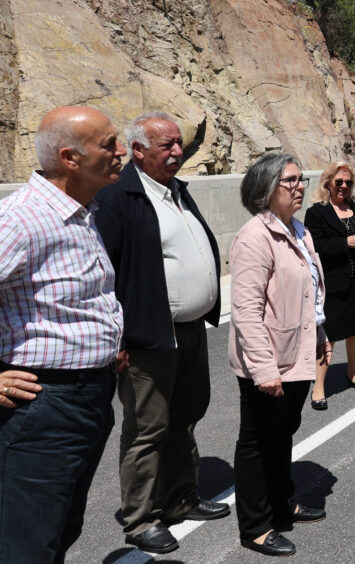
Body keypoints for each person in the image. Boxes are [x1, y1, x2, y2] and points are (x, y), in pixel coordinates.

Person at [94, 112, 229, 554]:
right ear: (137, 151)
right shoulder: (119, 198)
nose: (177, 152)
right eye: (166, 146)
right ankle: (140, 520)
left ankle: (179, 498)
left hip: (189, 331)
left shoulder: (176, 191)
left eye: (178, 144)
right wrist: (115, 339)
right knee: (147, 429)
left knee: (185, 416)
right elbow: (101, 275)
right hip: (147, 338)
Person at [0, 106, 127, 563]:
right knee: (26, 544)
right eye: (108, 144)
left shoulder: (81, 213)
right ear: (70, 158)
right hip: (44, 408)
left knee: (59, 529)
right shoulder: (22, 219)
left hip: (87, 399)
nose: (121, 151)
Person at [229, 152, 330, 557]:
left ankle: (281, 503)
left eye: (300, 179)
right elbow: (246, 312)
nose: (299, 186)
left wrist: (321, 334)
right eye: (289, 181)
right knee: (257, 442)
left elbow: (310, 294)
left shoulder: (299, 231)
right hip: (269, 362)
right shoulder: (255, 237)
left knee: (282, 435)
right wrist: (264, 369)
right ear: (265, 190)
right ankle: (255, 525)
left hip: (299, 354)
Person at [304, 161, 355, 410]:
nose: (344, 186)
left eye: (348, 182)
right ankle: (318, 387)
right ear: (327, 183)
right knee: (330, 335)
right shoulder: (317, 212)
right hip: (334, 282)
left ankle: (353, 372)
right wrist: (344, 243)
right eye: (339, 182)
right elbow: (315, 246)